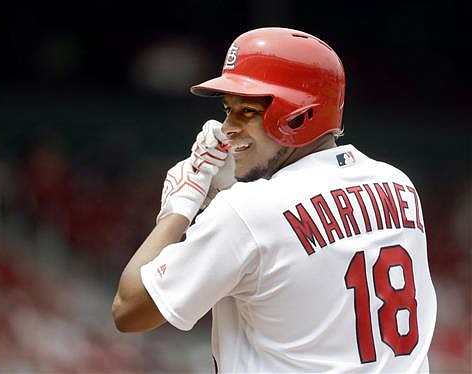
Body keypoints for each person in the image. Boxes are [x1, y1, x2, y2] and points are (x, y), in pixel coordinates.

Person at [112, 27, 437, 372]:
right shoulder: (398, 184)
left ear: (299, 115)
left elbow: (130, 310)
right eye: (228, 109)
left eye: (247, 112)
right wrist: (232, 196)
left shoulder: (248, 211)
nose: (228, 128)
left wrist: (179, 208)